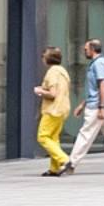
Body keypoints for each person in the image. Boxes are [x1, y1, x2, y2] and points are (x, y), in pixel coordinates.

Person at [64, 38, 104, 175]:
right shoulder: (102, 62)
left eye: (86, 49)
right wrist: (82, 104)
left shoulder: (98, 64)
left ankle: (71, 163)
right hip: (103, 103)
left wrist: (100, 107)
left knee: (86, 133)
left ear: (92, 49)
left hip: (98, 105)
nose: (84, 51)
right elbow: (95, 88)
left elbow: (102, 85)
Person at [33, 47, 72, 177]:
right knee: (53, 138)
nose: (42, 59)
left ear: (47, 59)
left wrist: (40, 91)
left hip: (52, 110)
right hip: (62, 108)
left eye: (43, 56)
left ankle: (64, 160)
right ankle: (54, 168)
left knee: (43, 136)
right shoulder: (63, 71)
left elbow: (52, 94)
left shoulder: (52, 72)